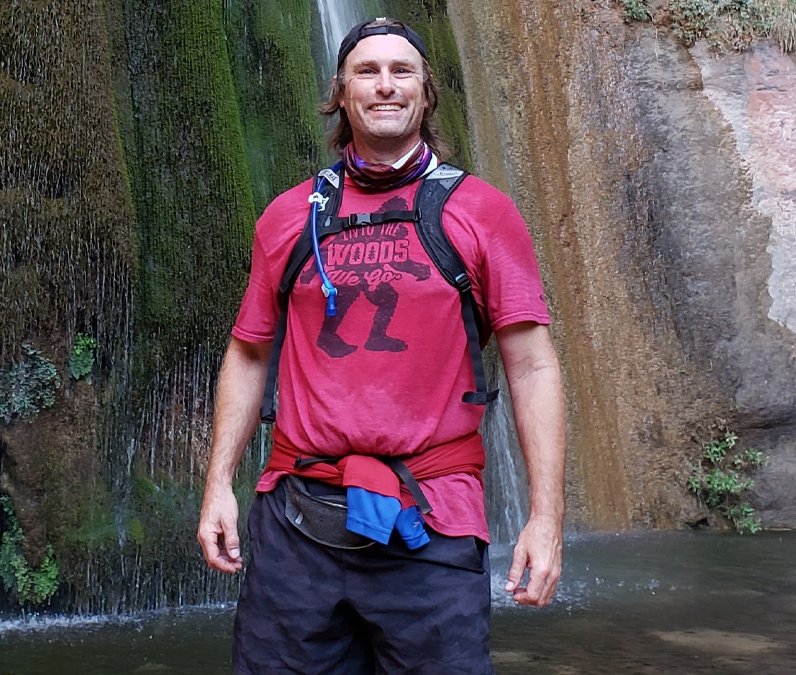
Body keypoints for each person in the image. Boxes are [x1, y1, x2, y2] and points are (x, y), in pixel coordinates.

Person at [197, 17, 567, 674]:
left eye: (402, 71)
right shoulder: (289, 217)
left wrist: (546, 516)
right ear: (341, 93)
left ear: (427, 92)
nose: (386, 85)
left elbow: (533, 366)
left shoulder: (482, 213)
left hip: (432, 520)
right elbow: (250, 351)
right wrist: (218, 485)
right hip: (297, 524)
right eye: (367, 72)